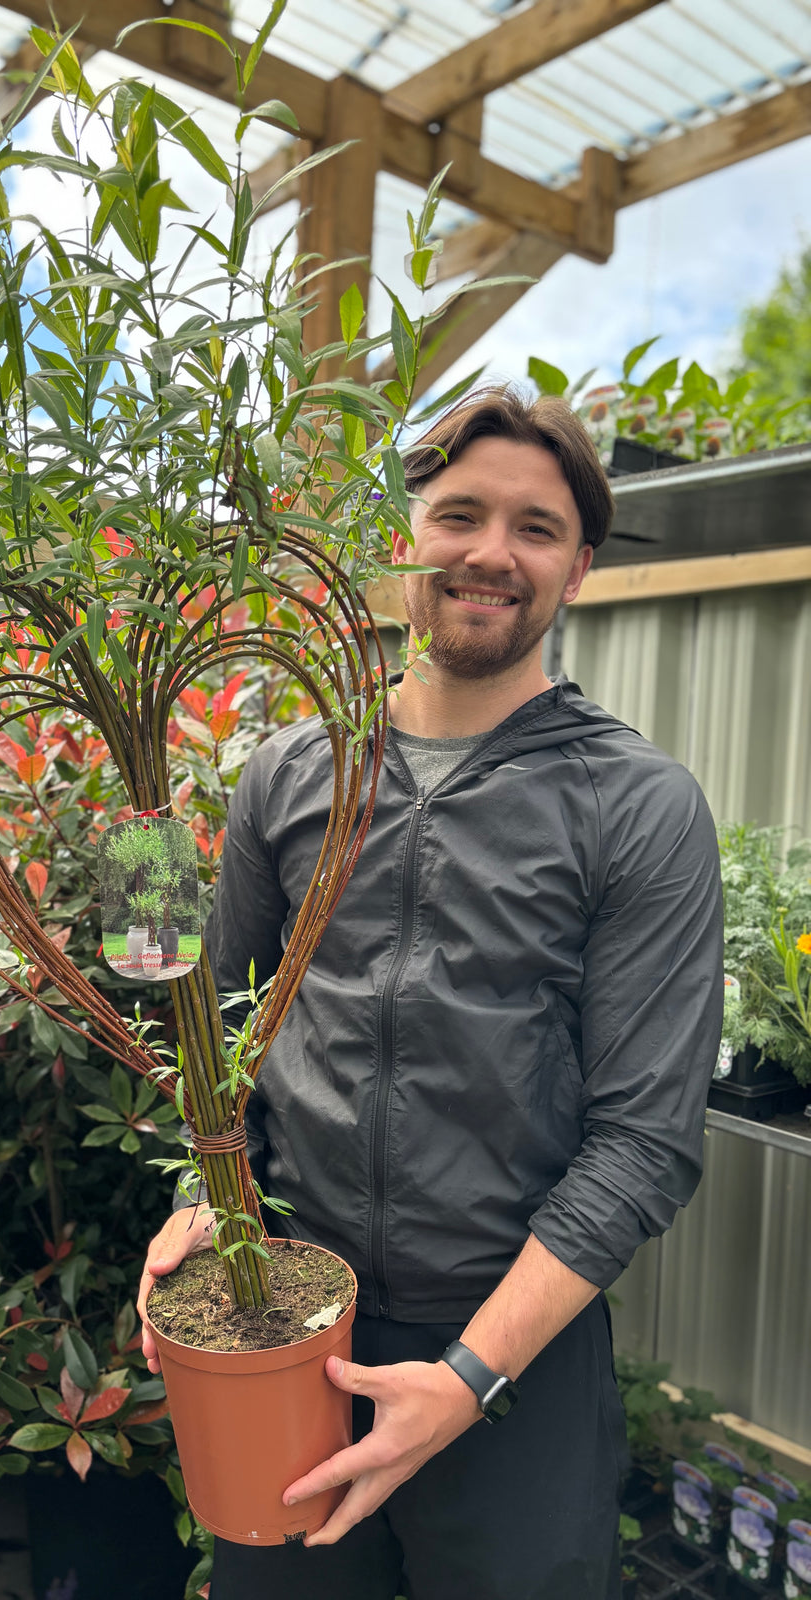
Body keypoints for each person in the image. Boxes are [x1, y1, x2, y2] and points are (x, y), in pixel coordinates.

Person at [136, 388, 724, 1600]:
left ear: (580, 570)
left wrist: (466, 1377)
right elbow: (221, 1056)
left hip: (514, 1358)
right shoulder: (292, 775)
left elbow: (646, 1140)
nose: (490, 553)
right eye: (457, 513)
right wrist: (204, 1212)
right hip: (287, 1329)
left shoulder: (639, 806)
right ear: (401, 537)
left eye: (536, 528)